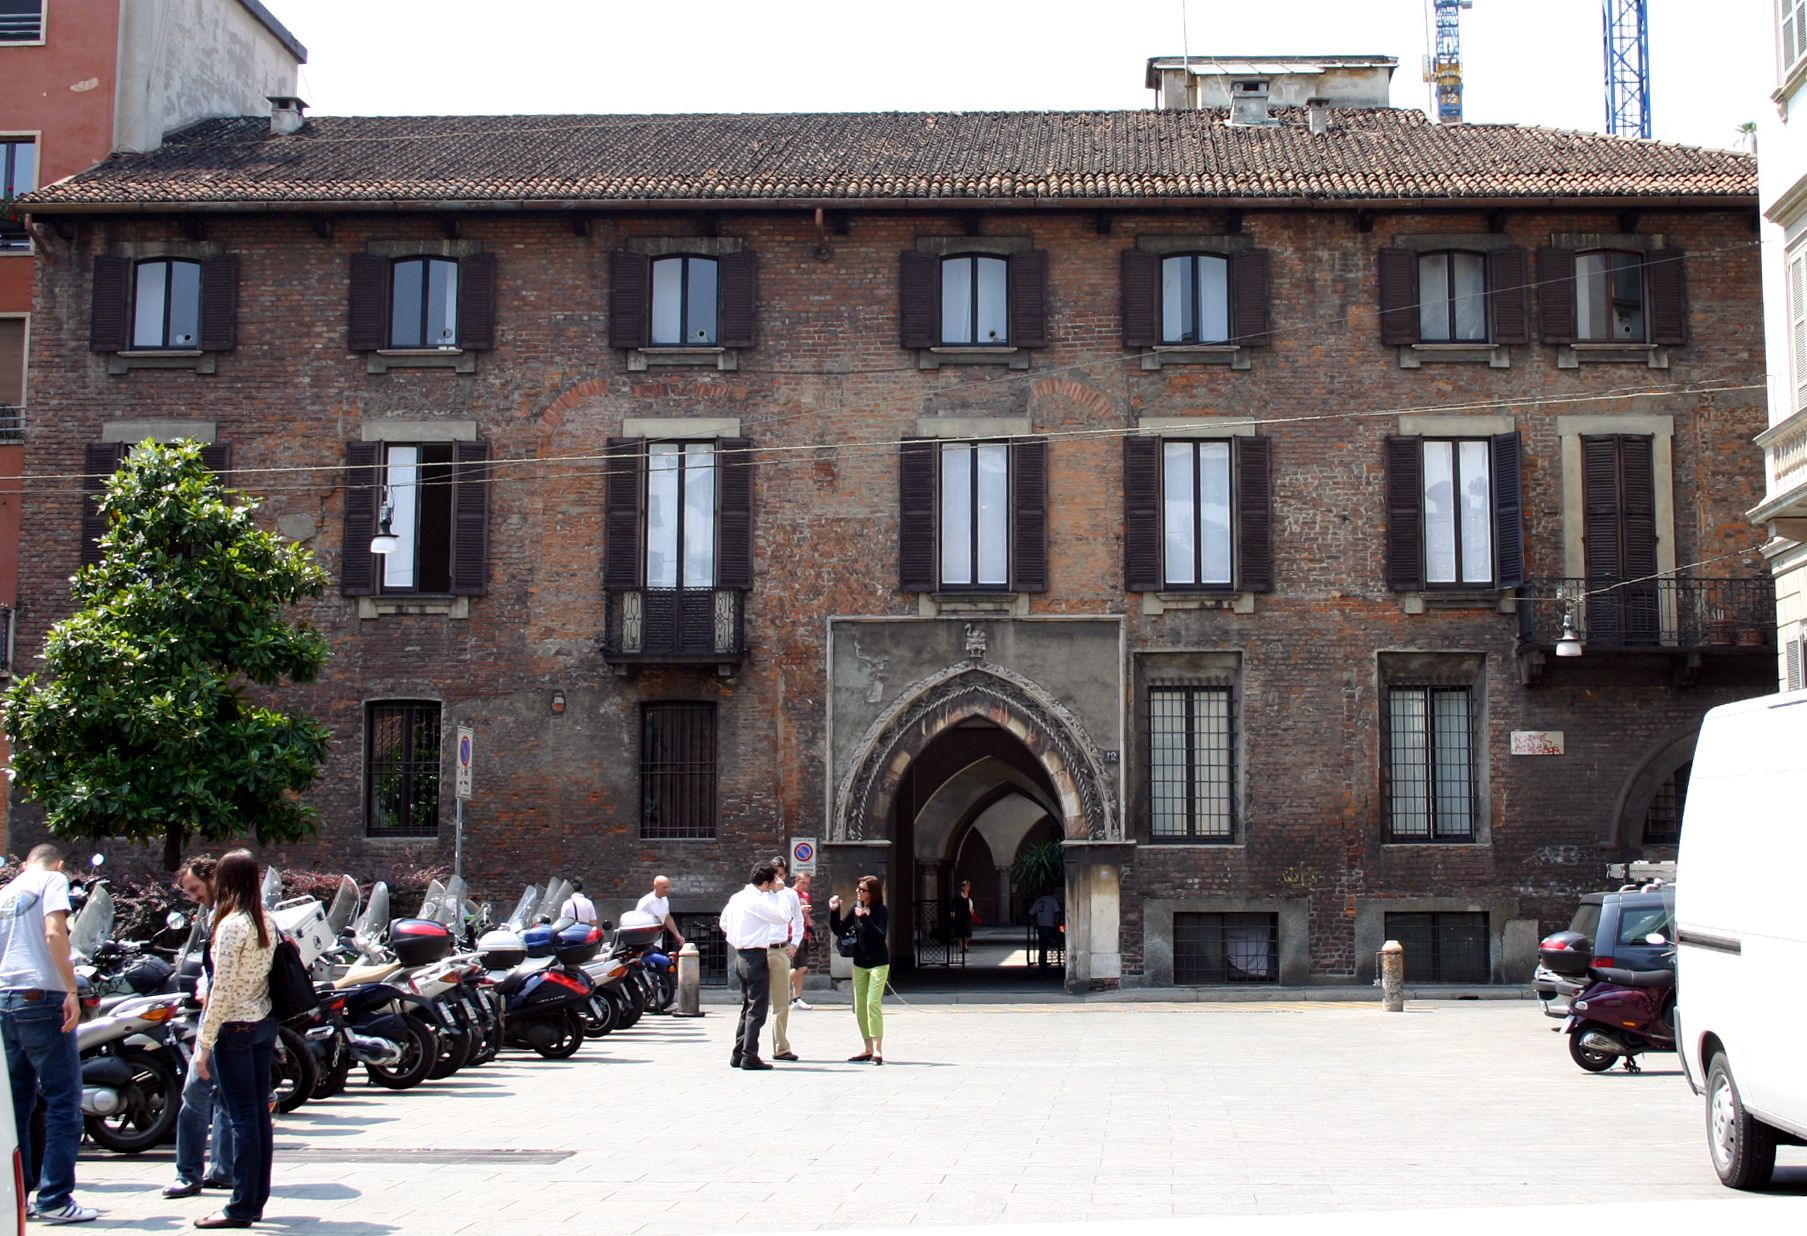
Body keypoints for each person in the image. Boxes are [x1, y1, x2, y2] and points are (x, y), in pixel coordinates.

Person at [0, 843, 98, 1224]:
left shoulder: (7, 890)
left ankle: (18, 1197)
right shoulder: (53, 879)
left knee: (16, 1106)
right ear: (58, 863)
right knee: (63, 1099)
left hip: (6, 998)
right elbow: (55, 933)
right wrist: (70, 989)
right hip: (42, 996)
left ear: (25, 863)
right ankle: (56, 1197)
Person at [192, 849, 278, 1229]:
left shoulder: (231, 925)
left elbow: (221, 989)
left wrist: (203, 1044)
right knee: (258, 1116)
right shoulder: (265, 920)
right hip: (262, 1022)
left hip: (235, 1028)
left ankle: (240, 1206)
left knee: (243, 1118)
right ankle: (255, 1197)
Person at [165, 855, 234, 1201]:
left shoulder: (229, 915)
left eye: (195, 888)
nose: (193, 896)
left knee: (196, 1091)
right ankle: (222, 1170)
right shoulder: (215, 913)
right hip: (222, 1013)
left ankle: (188, 1172)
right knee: (220, 1094)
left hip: (223, 1016)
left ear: (212, 878)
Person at [716, 863, 790, 1071]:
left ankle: (738, 1053)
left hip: (740, 955)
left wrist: (739, 936)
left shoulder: (737, 897)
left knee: (746, 1007)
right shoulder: (758, 901)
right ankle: (750, 1055)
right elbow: (783, 917)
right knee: (757, 1008)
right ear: (766, 883)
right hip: (755, 956)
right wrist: (781, 893)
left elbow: (723, 923)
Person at [828, 876, 890, 1066]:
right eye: (858, 889)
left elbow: (880, 937)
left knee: (873, 1003)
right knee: (861, 1007)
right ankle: (868, 1047)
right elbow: (839, 929)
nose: (858, 892)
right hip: (860, 963)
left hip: (879, 963)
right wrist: (834, 911)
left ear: (872, 893)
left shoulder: (881, 911)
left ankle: (878, 1050)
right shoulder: (855, 907)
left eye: (862, 889)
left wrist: (865, 917)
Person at [766, 858, 805, 1062]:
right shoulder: (760, 894)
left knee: (781, 1002)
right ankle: (746, 1048)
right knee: (754, 1002)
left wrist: (795, 943)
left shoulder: (789, 895)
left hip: (781, 948)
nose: (778, 879)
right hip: (760, 949)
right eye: (775, 874)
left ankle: (780, 1047)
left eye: (781, 874)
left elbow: (798, 920)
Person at [635, 876, 686, 952]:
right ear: (655, 886)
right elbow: (635, 920)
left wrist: (677, 935)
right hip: (646, 944)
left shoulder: (665, 899)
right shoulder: (646, 901)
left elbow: (667, 918)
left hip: (657, 942)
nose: (667, 890)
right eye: (664, 888)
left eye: (668, 887)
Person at [789, 872, 815, 1010]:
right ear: (796, 880)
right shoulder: (789, 894)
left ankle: (796, 998)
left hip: (804, 933)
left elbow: (805, 915)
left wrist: (810, 926)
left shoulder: (806, 896)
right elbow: (786, 912)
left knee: (799, 968)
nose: (805, 885)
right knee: (801, 968)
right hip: (792, 933)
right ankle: (777, 981)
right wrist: (800, 909)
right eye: (803, 882)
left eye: (807, 883)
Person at [1029, 889, 1064, 971]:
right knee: (1062, 940)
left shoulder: (1039, 901)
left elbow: (1030, 913)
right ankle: (1060, 960)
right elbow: (1057, 912)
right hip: (1051, 927)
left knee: (1043, 949)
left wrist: (1035, 924)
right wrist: (1056, 924)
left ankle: (1042, 969)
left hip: (1042, 927)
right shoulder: (1052, 900)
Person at [948, 880, 976, 955]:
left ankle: (965, 944)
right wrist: (952, 911)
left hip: (968, 915)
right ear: (962, 887)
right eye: (965, 886)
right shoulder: (958, 895)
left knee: (968, 931)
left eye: (968, 886)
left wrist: (973, 909)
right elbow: (953, 903)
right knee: (960, 931)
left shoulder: (970, 895)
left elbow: (973, 903)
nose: (966, 887)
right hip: (959, 915)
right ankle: (961, 947)